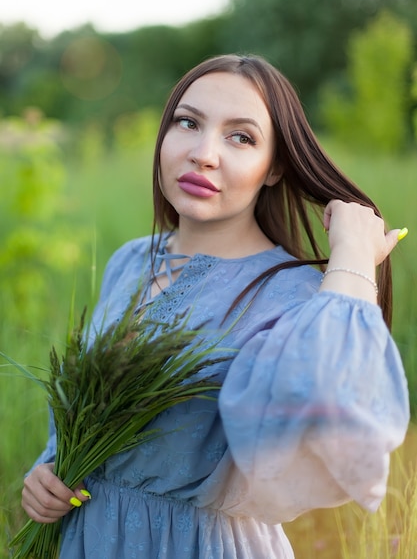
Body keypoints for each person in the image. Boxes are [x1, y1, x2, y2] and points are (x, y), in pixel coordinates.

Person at [22, 54, 410, 559]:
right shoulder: (132, 261)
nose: (203, 154)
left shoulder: (294, 293)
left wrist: (353, 259)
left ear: (274, 168)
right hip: (90, 538)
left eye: (241, 137)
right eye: (188, 123)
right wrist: (50, 469)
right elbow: (87, 402)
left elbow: (330, 428)